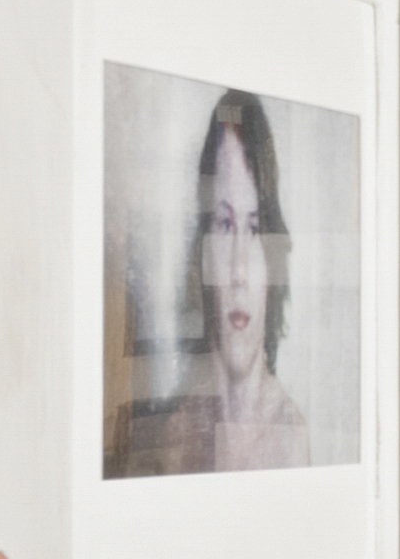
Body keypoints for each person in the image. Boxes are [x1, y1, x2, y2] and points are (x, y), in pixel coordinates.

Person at [119, 88, 313, 470]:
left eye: (255, 228)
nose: (239, 271)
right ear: (203, 251)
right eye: (224, 224)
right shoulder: (169, 434)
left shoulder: (291, 438)